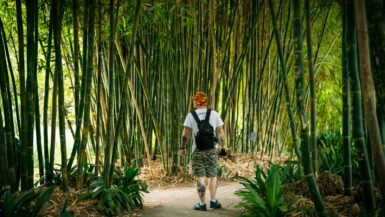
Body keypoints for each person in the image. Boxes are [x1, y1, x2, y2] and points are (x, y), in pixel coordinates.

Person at [180, 91, 226, 211]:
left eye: (195, 100)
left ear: (197, 101)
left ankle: (202, 204)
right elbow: (220, 132)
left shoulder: (191, 115)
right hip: (212, 150)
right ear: (205, 102)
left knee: (201, 176)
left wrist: (182, 148)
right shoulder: (214, 114)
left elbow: (185, 134)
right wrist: (223, 147)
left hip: (197, 150)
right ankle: (213, 201)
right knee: (213, 175)